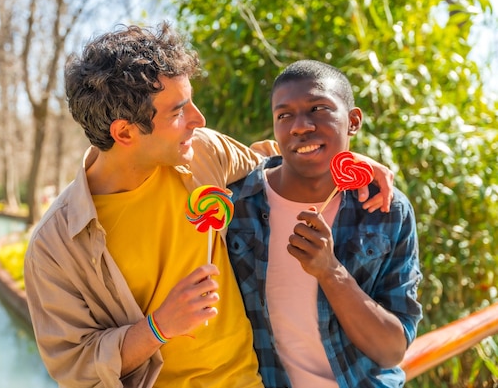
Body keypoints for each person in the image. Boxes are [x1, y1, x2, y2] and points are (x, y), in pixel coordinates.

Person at [23, 23, 395, 388]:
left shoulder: (203, 152)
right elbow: (76, 366)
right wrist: (158, 327)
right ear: (124, 132)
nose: (198, 120)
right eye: (177, 112)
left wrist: (344, 163)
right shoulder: (55, 246)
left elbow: (270, 165)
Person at [226, 60, 423, 388]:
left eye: (318, 108)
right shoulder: (236, 205)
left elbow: (391, 351)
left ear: (353, 121)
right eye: (284, 115)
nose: (300, 126)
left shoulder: (386, 209)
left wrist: (330, 272)